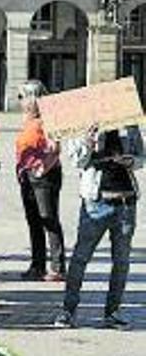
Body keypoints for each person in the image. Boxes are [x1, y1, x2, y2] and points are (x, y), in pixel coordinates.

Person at [54, 126, 141, 330]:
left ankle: (113, 312)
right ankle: (68, 310)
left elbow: (141, 157)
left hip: (126, 202)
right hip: (96, 202)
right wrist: (88, 139)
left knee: (121, 261)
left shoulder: (129, 123)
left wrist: (131, 161)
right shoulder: (84, 123)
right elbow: (77, 161)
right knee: (80, 257)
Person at [16, 98, 65, 282]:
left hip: (44, 176)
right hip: (27, 176)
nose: (22, 102)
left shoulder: (48, 120)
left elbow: (55, 148)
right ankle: (37, 266)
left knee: (49, 219)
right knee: (34, 221)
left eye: (25, 98)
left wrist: (44, 167)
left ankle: (58, 267)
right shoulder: (27, 122)